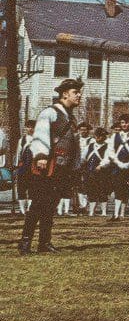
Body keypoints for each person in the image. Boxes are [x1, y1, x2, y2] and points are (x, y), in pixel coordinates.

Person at [18, 78, 84, 254]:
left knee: (51, 205)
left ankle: (44, 243)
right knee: (38, 204)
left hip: (63, 169)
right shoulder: (50, 113)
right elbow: (40, 135)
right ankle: (25, 243)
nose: (79, 95)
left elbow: (74, 146)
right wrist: (41, 156)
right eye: (75, 92)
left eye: (79, 92)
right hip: (47, 166)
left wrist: (76, 166)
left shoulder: (71, 117)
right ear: (64, 94)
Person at [102, 113, 129, 222]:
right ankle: (116, 215)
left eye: (126, 122)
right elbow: (111, 152)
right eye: (122, 123)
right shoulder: (114, 136)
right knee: (118, 189)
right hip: (118, 167)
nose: (124, 125)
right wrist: (119, 163)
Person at [84, 127, 111, 217]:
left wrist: (101, 165)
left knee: (103, 191)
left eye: (101, 136)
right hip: (90, 172)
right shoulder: (90, 146)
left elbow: (107, 159)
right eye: (97, 136)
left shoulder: (108, 147)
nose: (99, 138)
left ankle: (103, 212)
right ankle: (92, 212)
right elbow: (84, 157)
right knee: (91, 192)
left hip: (102, 173)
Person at [14, 120, 36, 215]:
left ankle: (30, 209)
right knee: (21, 188)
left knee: (33, 188)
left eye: (32, 127)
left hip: (35, 167)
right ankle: (22, 210)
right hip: (23, 167)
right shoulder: (22, 140)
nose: (30, 129)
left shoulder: (39, 139)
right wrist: (16, 166)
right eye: (28, 127)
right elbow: (18, 154)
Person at [74, 121, 94, 214]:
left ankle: (86, 205)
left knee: (86, 184)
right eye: (81, 130)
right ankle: (79, 205)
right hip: (76, 164)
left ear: (88, 131)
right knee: (77, 185)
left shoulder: (92, 140)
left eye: (85, 130)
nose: (83, 132)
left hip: (87, 165)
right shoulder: (75, 139)